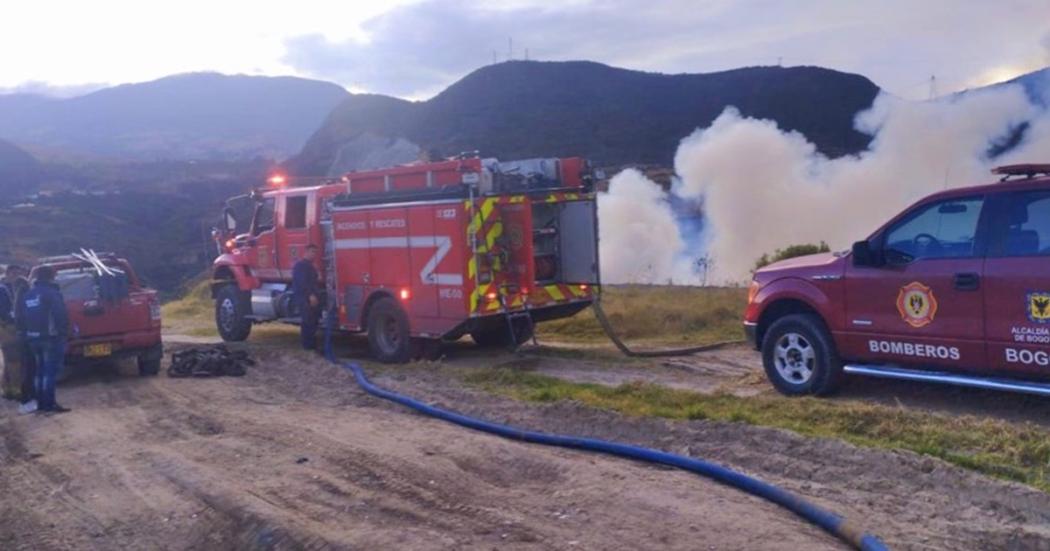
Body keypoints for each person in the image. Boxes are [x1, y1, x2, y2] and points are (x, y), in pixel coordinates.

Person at [17, 266, 71, 414]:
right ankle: (49, 405)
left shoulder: (28, 295)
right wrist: (64, 333)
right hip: (50, 338)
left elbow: (20, 317)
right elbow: (60, 315)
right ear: (50, 277)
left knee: (39, 372)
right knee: (49, 373)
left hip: (32, 338)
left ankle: (40, 404)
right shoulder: (51, 293)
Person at [291, 245, 321, 351]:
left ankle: (312, 344)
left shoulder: (310, 265)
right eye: (312, 251)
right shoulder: (301, 265)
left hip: (310, 296)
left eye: (315, 252)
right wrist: (310, 295)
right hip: (304, 297)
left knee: (313, 321)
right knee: (307, 321)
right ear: (306, 252)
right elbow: (302, 283)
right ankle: (307, 346)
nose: (314, 254)